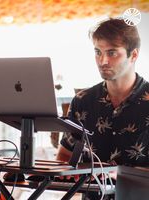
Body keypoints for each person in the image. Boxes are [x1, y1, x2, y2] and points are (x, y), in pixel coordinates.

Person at [56, 17, 149, 199]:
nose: (103, 60)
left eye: (112, 53)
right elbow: (63, 157)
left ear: (134, 55)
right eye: (98, 52)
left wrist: (118, 175)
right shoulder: (82, 101)